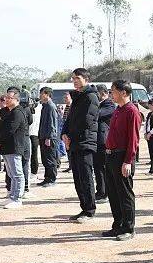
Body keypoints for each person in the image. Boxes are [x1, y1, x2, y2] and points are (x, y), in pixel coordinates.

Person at [102, 80, 142, 241]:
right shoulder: (118, 110)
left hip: (122, 156)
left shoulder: (131, 111)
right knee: (113, 193)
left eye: (113, 91)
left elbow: (134, 139)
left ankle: (128, 227)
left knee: (125, 193)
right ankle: (117, 224)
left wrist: (128, 161)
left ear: (123, 93)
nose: (111, 94)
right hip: (111, 155)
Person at [62, 68, 100, 223]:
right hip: (74, 142)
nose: (75, 80)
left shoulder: (91, 97)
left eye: (77, 78)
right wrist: (64, 134)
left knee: (85, 177)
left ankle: (90, 210)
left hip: (85, 142)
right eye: (73, 78)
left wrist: (71, 136)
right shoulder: (77, 96)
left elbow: (87, 121)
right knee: (77, 177)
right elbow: (69, 119)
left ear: (86, 79)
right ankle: (83, 207)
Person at [0, 87, 31, 209]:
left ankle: (17, 198)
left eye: (10, 98)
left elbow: (10, 130)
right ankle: (12, 196)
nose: (7, 100)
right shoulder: (6, 111)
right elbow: (1, 127)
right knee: (10, 173)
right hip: (6, 147)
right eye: (6, 98)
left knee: (17, 174)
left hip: (14, 146)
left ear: (16, 99)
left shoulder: (18, 112)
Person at [94, 84, 116, 201]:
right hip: (97, 141)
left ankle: (105, 192)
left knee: (103, 168)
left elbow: (97, 115)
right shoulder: (100, 104)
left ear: (103, 93)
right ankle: (100, 190)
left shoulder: (109, 105)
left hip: (103, 141)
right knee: (98, 168)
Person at [37, 87, 60, 187]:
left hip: (49, 138)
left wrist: (49, 137)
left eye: (41, 94)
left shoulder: (51, 106)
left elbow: (52, 124)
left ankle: (52, 179)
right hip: (43, 136)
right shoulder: (45, 106)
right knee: (45, 159)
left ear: (46, 94)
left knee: (50, 159)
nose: (40, 96)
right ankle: (47, 178)